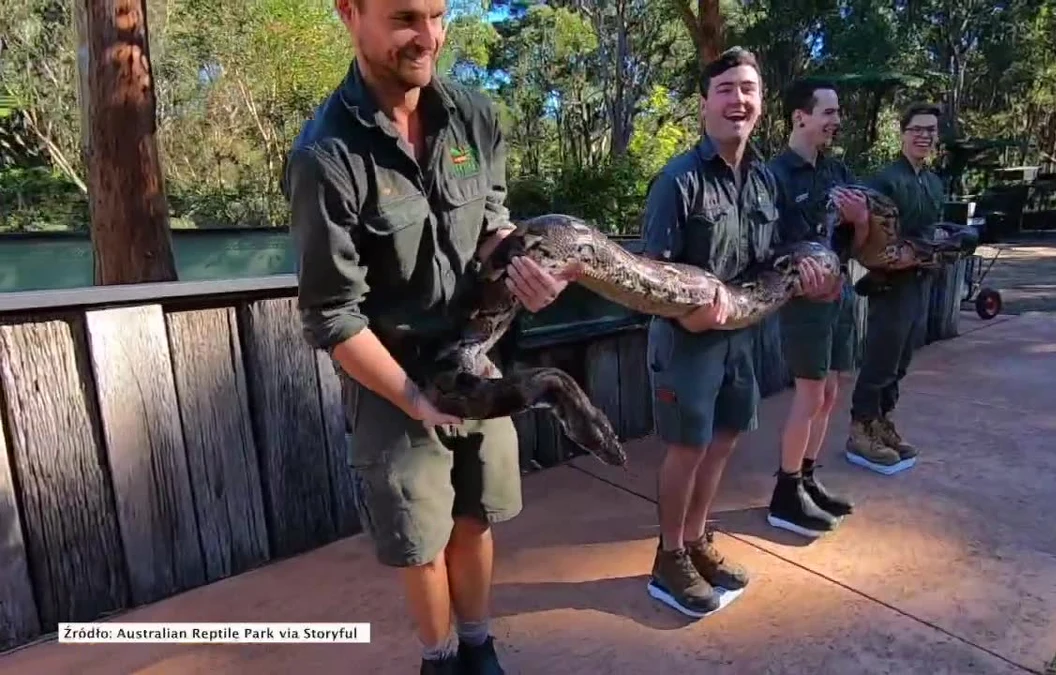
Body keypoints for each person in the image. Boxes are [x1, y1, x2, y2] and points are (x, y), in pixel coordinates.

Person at [282, 1, 571, 673]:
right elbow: (331, 316)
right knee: (422, 538)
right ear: (349, 13)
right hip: (392, 376)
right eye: (406, 16)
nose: (429, 37)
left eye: (439, 14)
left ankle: (479, 645)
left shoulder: (474, 115)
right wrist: (414, 398)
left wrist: (529, 267)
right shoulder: (325, 157)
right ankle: (439, 659)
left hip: (477, 358)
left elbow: (494, 226)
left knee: (476, 516)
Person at [641, 47, 840, 618]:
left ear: (760, 105)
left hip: (742, 335)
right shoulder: (677, 181)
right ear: (705, 102)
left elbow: (774, 254)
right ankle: (669, 553)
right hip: (687, 340)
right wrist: (689, 313)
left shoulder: (762, 180)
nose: (738, 99)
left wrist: (807, 271)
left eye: (747, 89)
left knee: (724, 439)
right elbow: (651, 275)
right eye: (725, 88)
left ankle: (698, 539)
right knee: (686, 447)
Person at [765, 78, 869, 537]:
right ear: (800, 117)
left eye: (837, 112)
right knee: (808, 395)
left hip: (841, 291)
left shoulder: (838, 173)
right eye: (828, 112)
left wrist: (861, 219)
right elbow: (763, 247)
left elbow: (860, 246)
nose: (836, 120)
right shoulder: (774, 177)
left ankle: (807, 478)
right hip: (803, 301)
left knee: (829, 393)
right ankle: (785, 494)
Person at [846, 102, 945, 472]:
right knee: (881, 358)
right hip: (889, 284)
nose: (924, 136)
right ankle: (861, 428)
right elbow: (867, 238)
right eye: (917, 129)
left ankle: (882, 421)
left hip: (920, 281)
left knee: (901, 360)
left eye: (930, 130)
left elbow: (935, 233)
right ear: (902, 133)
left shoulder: (933, 182)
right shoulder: (885, 180)